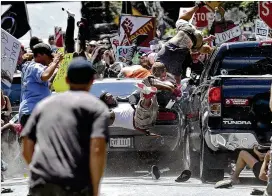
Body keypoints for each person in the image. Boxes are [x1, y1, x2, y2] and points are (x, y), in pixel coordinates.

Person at [21, 57, 110, 196]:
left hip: (41, 184)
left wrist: (39, 174)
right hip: (75, 185)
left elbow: (27, 146)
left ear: (67, 80)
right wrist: (95, 189)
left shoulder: (44, 105)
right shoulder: (97, 108)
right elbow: (97, 148)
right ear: (92, 81)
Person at [156, 1, 215, 84]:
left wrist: (177, 89)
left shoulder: (173, 62)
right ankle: (198, 5)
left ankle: (214, 51)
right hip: (188, 31)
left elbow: (177, 77)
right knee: (181, 19)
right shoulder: (160, 55)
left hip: (196, 38)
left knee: (196, 46)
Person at [19, 43, 63, 127]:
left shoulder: (28, 66)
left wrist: (56, 67)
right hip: (33, 112)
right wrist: (55, 60)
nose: (50, 59)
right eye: (49, 56)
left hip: (29, 112)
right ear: (39, 55)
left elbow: (47, 82)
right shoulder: (36, 66)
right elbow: (45, 76)